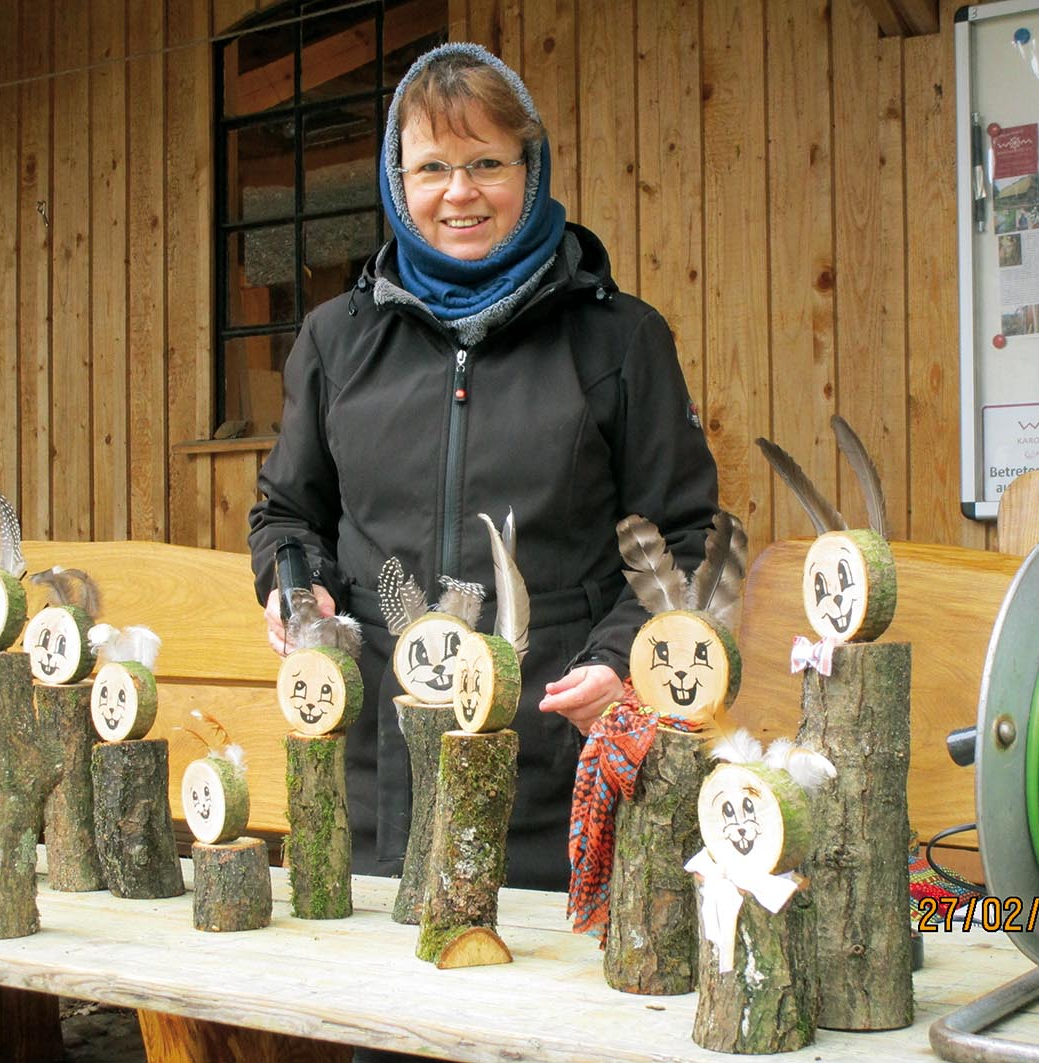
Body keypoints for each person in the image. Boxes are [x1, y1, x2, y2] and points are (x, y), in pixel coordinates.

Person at [248, 41, 718, 896]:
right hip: (376, 769)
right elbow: (287, 513)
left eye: (485, 163)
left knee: (538, 1014)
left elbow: (682, 530)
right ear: (397, 181)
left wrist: (618, 657)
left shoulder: (618, 340)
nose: (458, 193)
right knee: (381, 1018)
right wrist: (294, 584)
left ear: (528, 171)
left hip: (552, 751)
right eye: (431, 167)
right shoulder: (335, 340)